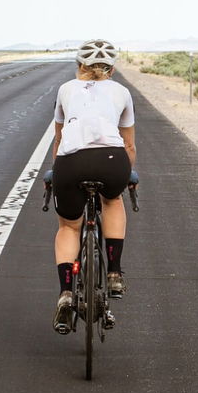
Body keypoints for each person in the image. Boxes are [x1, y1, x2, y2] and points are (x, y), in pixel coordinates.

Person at [50, 39, 136, 334]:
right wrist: (128, 174)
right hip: (112, 158)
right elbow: (129, 145)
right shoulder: (122, 92)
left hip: (71, 161)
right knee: (112, 201)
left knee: (69, 227)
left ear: (79, 66)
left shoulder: (66, 89)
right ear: (112, 68)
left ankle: (65, 293)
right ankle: (113, 273)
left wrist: (56, 172)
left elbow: (59, 140)